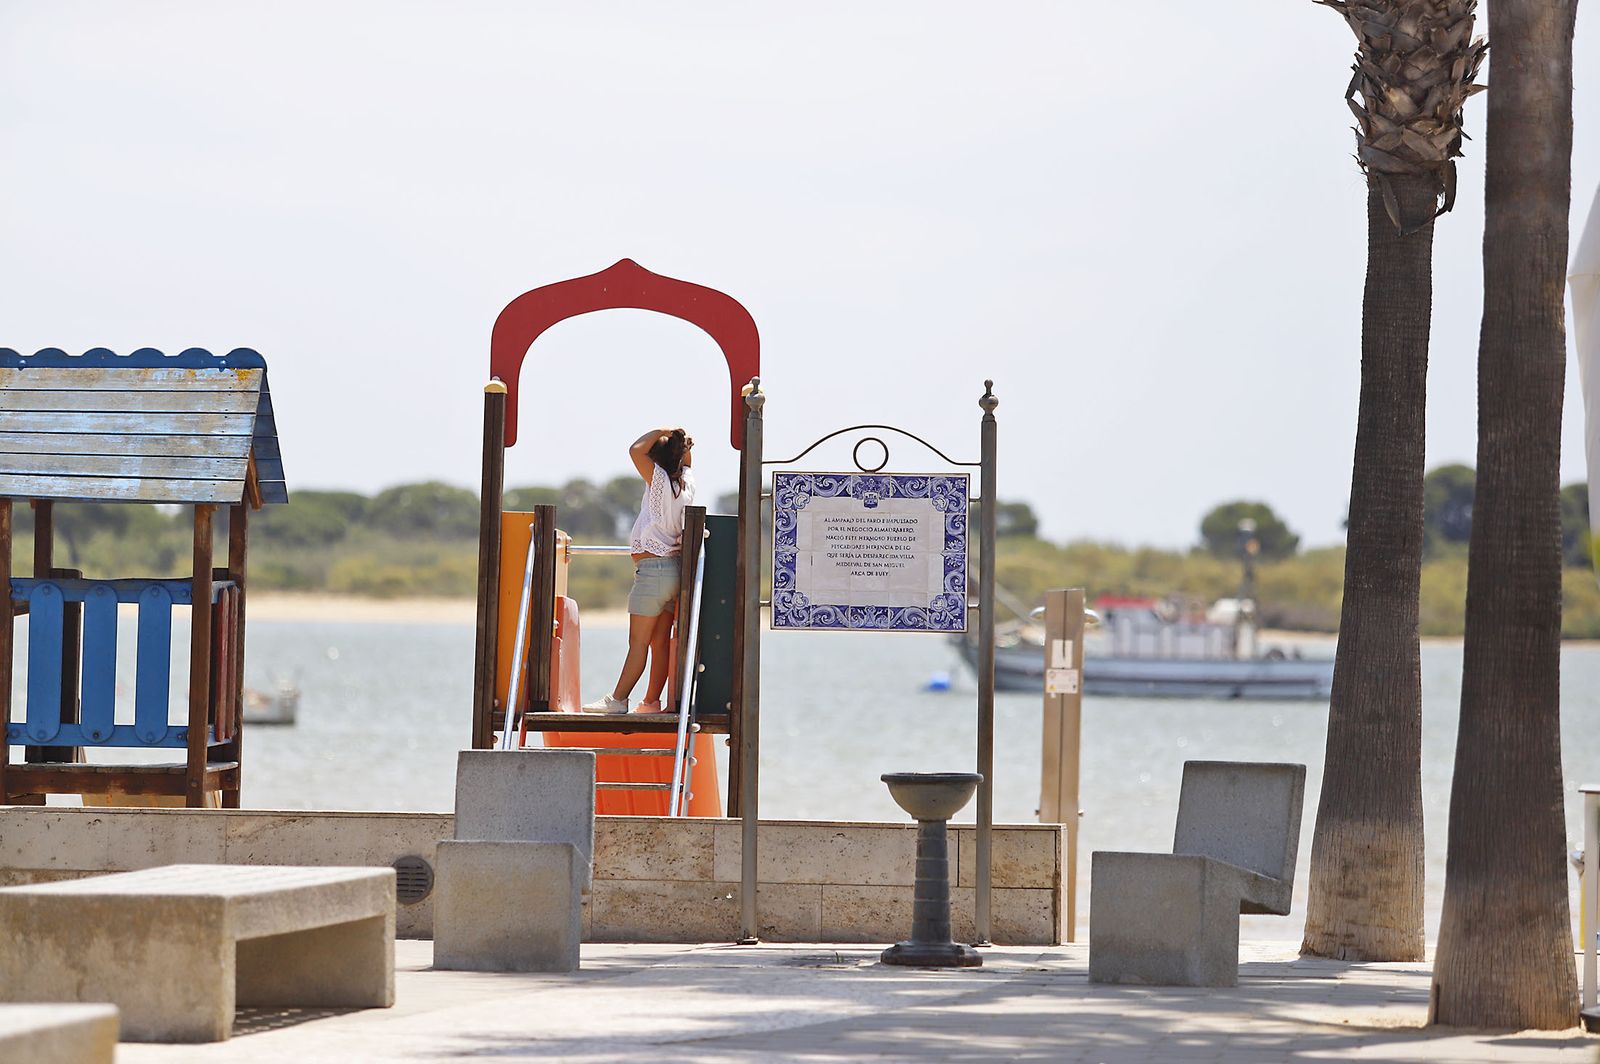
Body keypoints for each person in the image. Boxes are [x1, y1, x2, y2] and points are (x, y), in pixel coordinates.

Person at [582, 426, 695, 714]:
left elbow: (635, 450)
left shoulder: (658, 482)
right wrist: (681, 444)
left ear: (656, 462)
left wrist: (663, 430)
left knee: (638, 643)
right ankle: (651, 702)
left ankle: (618, 700)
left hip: (653, 572)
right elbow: (688, 461)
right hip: (674, 571)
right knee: (659, 643)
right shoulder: (687, 482)